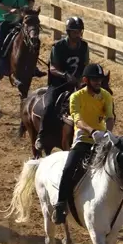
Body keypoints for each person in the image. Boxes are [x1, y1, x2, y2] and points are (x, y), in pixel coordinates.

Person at [52, 63, 114, 224]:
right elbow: (77, 120)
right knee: (68, 168)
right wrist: (92, 132)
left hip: (102, 139)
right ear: (86, 80)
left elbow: (110, 116)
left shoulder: (106, 95)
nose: (98, 82)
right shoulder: (76, 97)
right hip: (83, 140)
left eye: (100, 79)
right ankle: (60, 205)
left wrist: (108, 133)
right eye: (95, 80)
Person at [34, 16, 89, 152]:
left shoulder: (84, 46)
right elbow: (52, 68)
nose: (78, 35)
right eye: (75, 32)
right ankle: (41, 136)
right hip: (58, 84)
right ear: (68, 32)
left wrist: (82, 79)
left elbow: (86, 65)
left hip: (77, 83)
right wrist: (65, 76)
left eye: (80, 32)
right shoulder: (58, 47)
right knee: (50, 104)